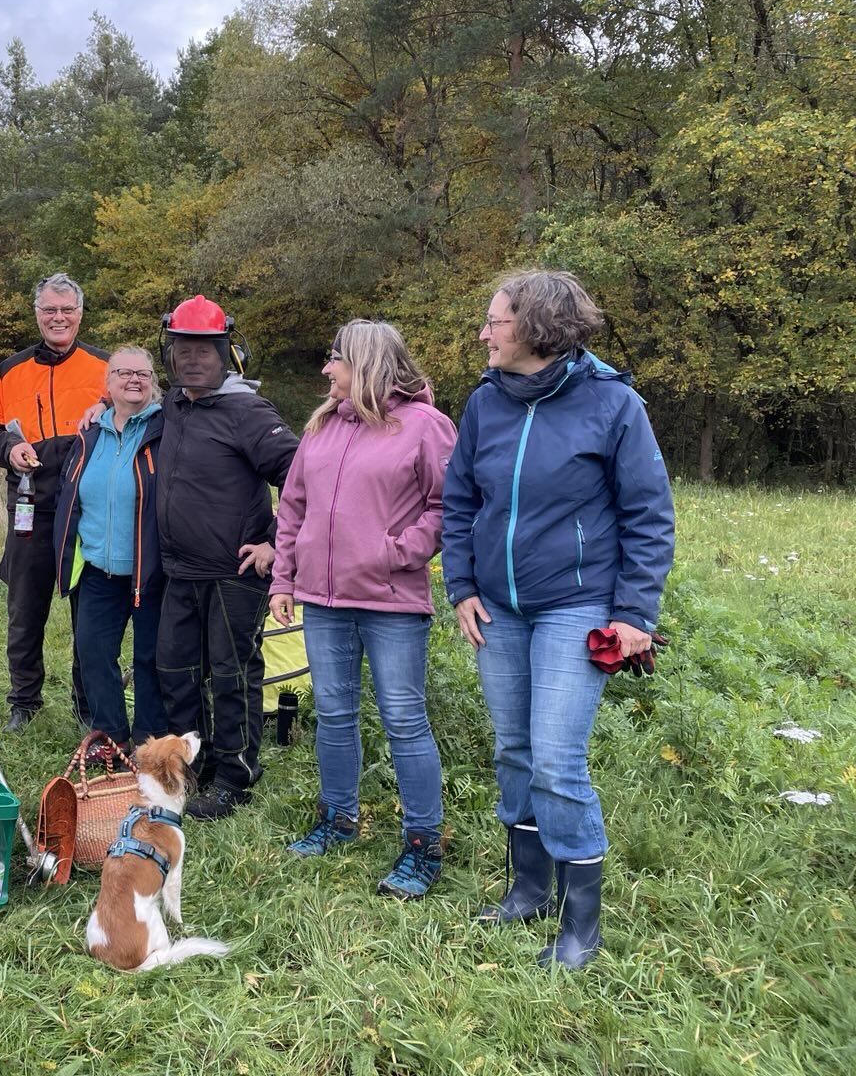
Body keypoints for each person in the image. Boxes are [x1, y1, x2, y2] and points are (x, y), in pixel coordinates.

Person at [442, 269, 675, 969]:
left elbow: (648, 514)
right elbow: (458, 503)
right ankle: (529, 889)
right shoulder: (485, 403)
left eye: (495, 321)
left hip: (576, 607)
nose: (484, 333)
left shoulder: (614, 404)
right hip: (499, 610)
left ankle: (581, 930)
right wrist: (461, 587)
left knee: (556, 759)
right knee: (514, 751)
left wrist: (634, 611)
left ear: (537, 328)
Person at [269, 320, 456, 900]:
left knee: (403, 719)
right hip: (322, 601)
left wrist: (394, 552)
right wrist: (284, 577)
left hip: (392, 601)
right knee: (333, 713)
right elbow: (293, 506)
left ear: (368, 364)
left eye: (336, 360)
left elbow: (448, 505)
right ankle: (337, 819)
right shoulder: (322, 427)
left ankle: (423, 843)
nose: (326, 370)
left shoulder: (425, 427)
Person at [153, 296, 299, 819]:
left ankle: (237, 775)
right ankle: (195, 767)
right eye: (182, 350)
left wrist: (278, 542)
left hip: (234, 574)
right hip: (181, 571)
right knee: (174, 670)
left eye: (205, 351)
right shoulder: (176, 404)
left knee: (232, 674)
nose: (192, 360)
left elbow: (305, 479)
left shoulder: (248, 412)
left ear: (228, 354)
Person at [0, 274, 110, 732]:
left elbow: (136, 418)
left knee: (90, 610)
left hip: (86, 506)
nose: (58, 318)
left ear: (80, 314)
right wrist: (8, 450)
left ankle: (87, 704)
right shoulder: (9, 370)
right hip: (29, 504)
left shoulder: (105, 368)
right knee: (25, 607)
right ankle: (25, 702)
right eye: (49, 310)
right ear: (36, 313)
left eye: (66, 310)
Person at [54, 347, 167, 754]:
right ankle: (111, 737)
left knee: (150, 659)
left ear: (154, 381)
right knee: (93, 653)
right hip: (99, 570)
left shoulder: (166, 427)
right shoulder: (90, 433)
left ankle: (148, 743)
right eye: (123, 372)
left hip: (150, 571)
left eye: (143, 373)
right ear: (107, 382)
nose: (134, 380)